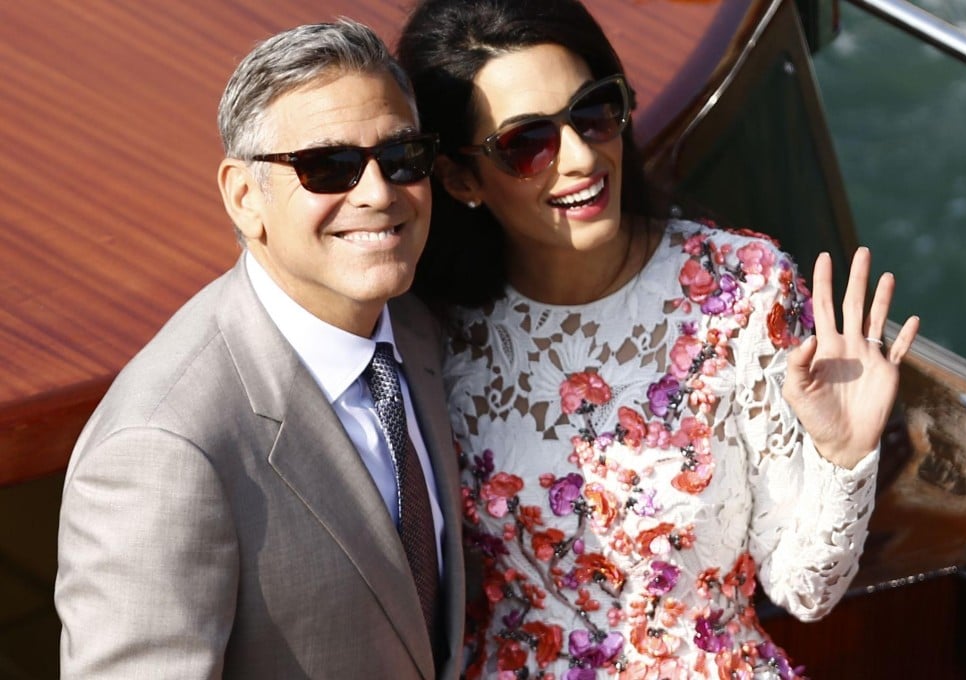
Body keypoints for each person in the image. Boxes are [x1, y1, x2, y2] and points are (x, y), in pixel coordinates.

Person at [396, 1, 920, 678]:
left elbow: (804, 590)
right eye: (528, 142)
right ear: (462, 178)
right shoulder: (433, 334)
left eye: (593, 111)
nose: (582, 156)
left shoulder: (743, 290)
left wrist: (843, 455)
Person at [54, 18, 464, 679]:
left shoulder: (416, 329)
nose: (377, 192)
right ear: (244, 197)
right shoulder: (160, 449)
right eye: (327, 167)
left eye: (400, 157)